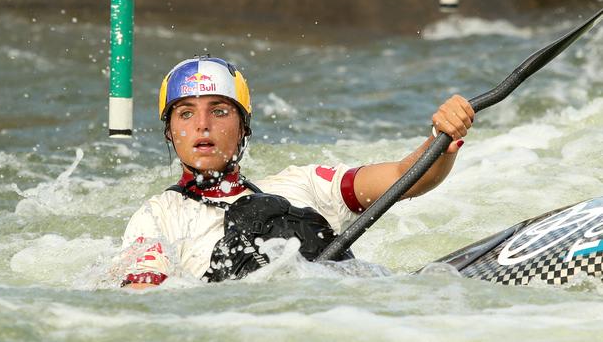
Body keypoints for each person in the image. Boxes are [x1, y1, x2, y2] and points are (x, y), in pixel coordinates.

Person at [120, 56, 475, 289]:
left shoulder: (301, 185)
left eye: (219, 111)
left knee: (271, 212)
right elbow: (144, 302)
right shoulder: (156, 217)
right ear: (169, 132)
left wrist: (441, 141)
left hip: (336, 313)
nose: (202, 125)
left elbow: (405, 177)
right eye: (185, 113)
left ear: (244, 126)